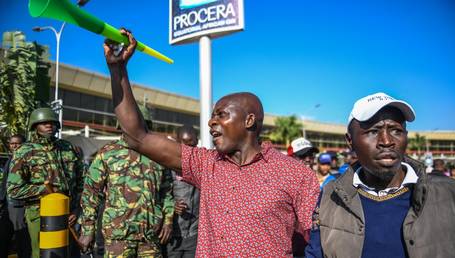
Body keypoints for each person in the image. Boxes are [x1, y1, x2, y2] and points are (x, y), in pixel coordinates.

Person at [103, 29, 319, 256]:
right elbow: (138, 137)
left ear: (249, 120)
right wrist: (118, 70)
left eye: (221, 115)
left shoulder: (296, 175)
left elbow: (314, 239)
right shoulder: (207, 164)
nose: (210, 122)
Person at [305, 92, 455, 258]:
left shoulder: (452, 195)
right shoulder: (330, 197)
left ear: (406, 137)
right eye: (373, 131)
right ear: (350, 141)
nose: (386, 141)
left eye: (396, 130)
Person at [78, 127, 175, 257]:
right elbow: (91, 193)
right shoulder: (108, 153)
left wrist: (168, 221)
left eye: (142, 124)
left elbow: (167, 192)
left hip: (150, 237)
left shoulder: (157, 155)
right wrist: (88, 230)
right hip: (118, 238)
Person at [7, 108, 85, 258]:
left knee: (70, 253)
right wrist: (43, 189)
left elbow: (82, 183)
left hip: (69, 212)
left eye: (52, 122)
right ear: (35, 126)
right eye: (43, 123)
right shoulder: (24, 151)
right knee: (44, 254)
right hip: (39, 213)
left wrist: (77, 210)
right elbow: (13, 190)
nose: (49, 125)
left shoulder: (69, 148)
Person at [164, 125, 200, 258]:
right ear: (176, 142)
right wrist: (172, 205)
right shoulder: (165, 167)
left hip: (194, 237)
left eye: (193, 145)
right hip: (172, 237)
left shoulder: (203, 168)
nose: (190, 150)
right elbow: (156, 197)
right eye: (186, 145)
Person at [0, 134, 31, 258]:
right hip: (7, 205)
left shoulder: (27, 159)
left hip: (19, 205)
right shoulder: (11, 158)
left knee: (21, 239)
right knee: (3, 237)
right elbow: (5, 183)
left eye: (17, 143)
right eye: (12, 143)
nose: (14, 146)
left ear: (23, 144)